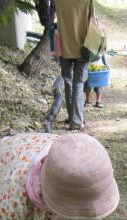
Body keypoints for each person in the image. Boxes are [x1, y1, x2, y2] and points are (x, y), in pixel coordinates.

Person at [53, 0, 93, 131]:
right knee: (78, 84)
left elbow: (50, 20)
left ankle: (72, 117)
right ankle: (76, 122)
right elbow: (92, 21)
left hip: (63, 46)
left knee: (68, 81)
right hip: (83, 46)